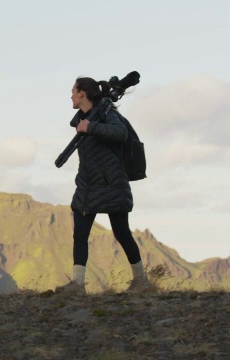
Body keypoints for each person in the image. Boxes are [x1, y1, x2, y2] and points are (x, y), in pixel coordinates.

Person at [55, 76, 151, 295]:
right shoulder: (83, 119)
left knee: (121, 232)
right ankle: (78, 285)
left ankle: (141, 281)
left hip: (112, 184)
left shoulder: (107, 115)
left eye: (73, 91)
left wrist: (92, 127)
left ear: (81, 93)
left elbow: (121, 133)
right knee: (79, 233)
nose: (70, 95)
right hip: (88, 185)